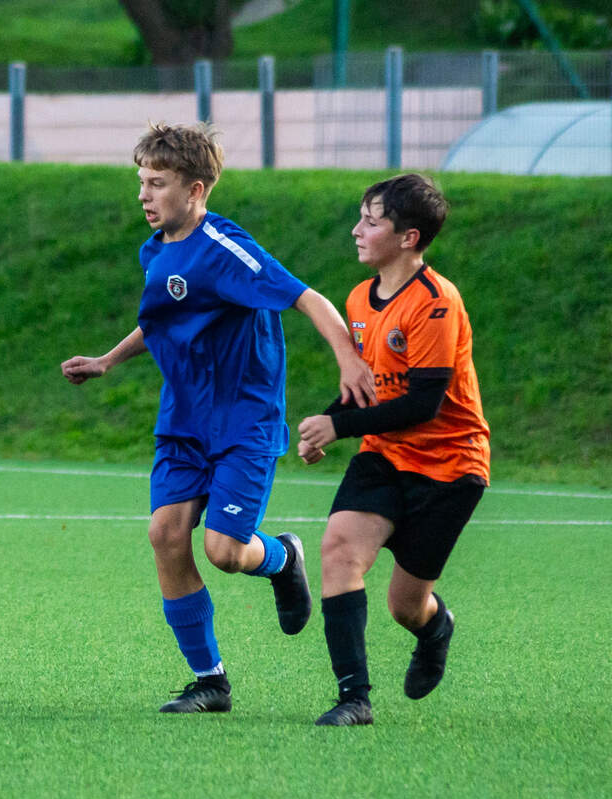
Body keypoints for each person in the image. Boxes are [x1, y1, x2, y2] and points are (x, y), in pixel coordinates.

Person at [61, 122, 376, 714]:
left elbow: (308, 297)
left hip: (243, 421)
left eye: (157, 183)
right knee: (165, 535)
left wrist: (348, 360)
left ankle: (282, 558)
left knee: (225, 552)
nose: (144, 195)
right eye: (141, 182)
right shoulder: (157, 250)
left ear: (196, 190)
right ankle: (210, 680)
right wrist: (107, 361)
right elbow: (161, 320)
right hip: (183, 420)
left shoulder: (226, 248)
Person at [297, 173, 490, 726]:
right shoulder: (360, 297)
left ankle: (435, 628)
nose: (357, 231)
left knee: (405, 606)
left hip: (451, 464)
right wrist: (327, 423)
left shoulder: (436, 302)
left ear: (408, 238)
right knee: (339, 549)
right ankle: (354, 698)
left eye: (371, 222)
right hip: (384, 454)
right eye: (360, 218)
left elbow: (423, 403)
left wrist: (339, 427)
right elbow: (369, 386)